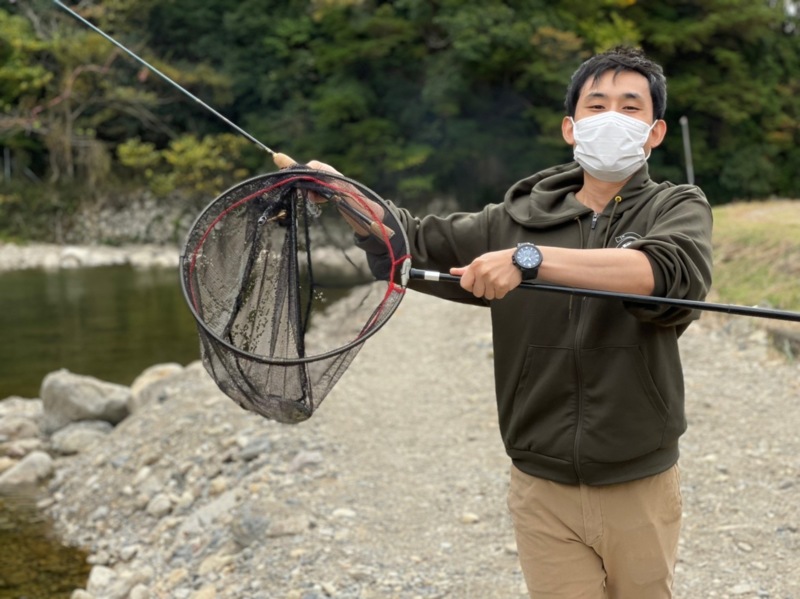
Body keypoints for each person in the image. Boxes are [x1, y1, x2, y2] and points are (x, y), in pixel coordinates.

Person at [291, 45, 714, 598]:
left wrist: (528, 261)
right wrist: (349, 198)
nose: (612, 118)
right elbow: (412, 244)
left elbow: (665, 270)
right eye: (597, 105)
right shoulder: (513, 219)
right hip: (540, 485)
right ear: (570, 127)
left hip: (640, 478)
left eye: (630, 108)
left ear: (655, 133)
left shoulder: (676, 206)